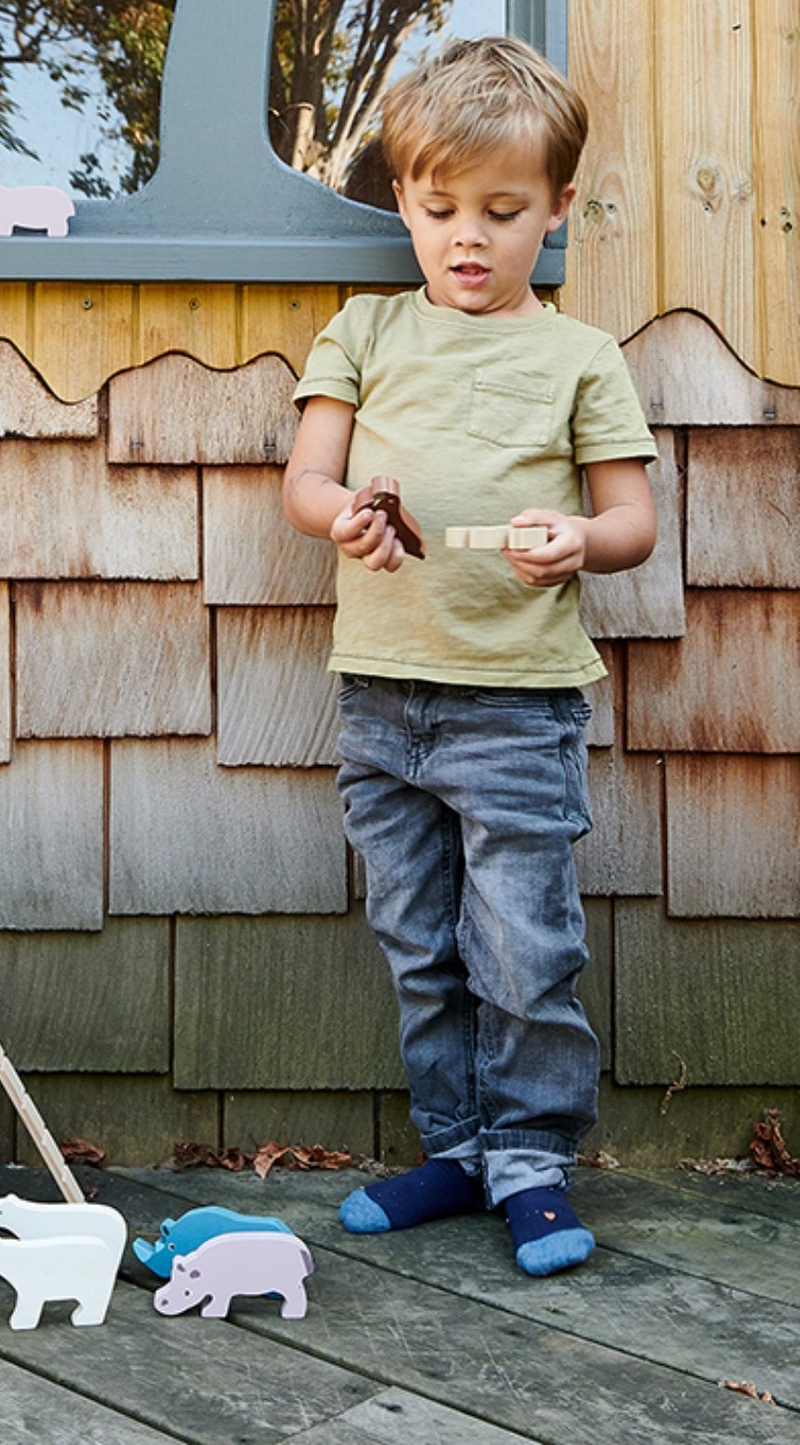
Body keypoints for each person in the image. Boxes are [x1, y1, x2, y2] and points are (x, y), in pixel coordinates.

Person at [283, 37, 657, 1277]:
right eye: (438, 207)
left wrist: (579, 540)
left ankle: (532, 1159)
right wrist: (342, 514)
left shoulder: (577, 356)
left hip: (519, 707)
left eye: (501, 212)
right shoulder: (363, 327)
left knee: (523, 948)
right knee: (417, 935)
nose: (466, 237)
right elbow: (305, 482)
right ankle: (453, 1146)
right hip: (383, 698)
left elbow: (630, 522)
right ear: (401, 197)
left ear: (554, 208)